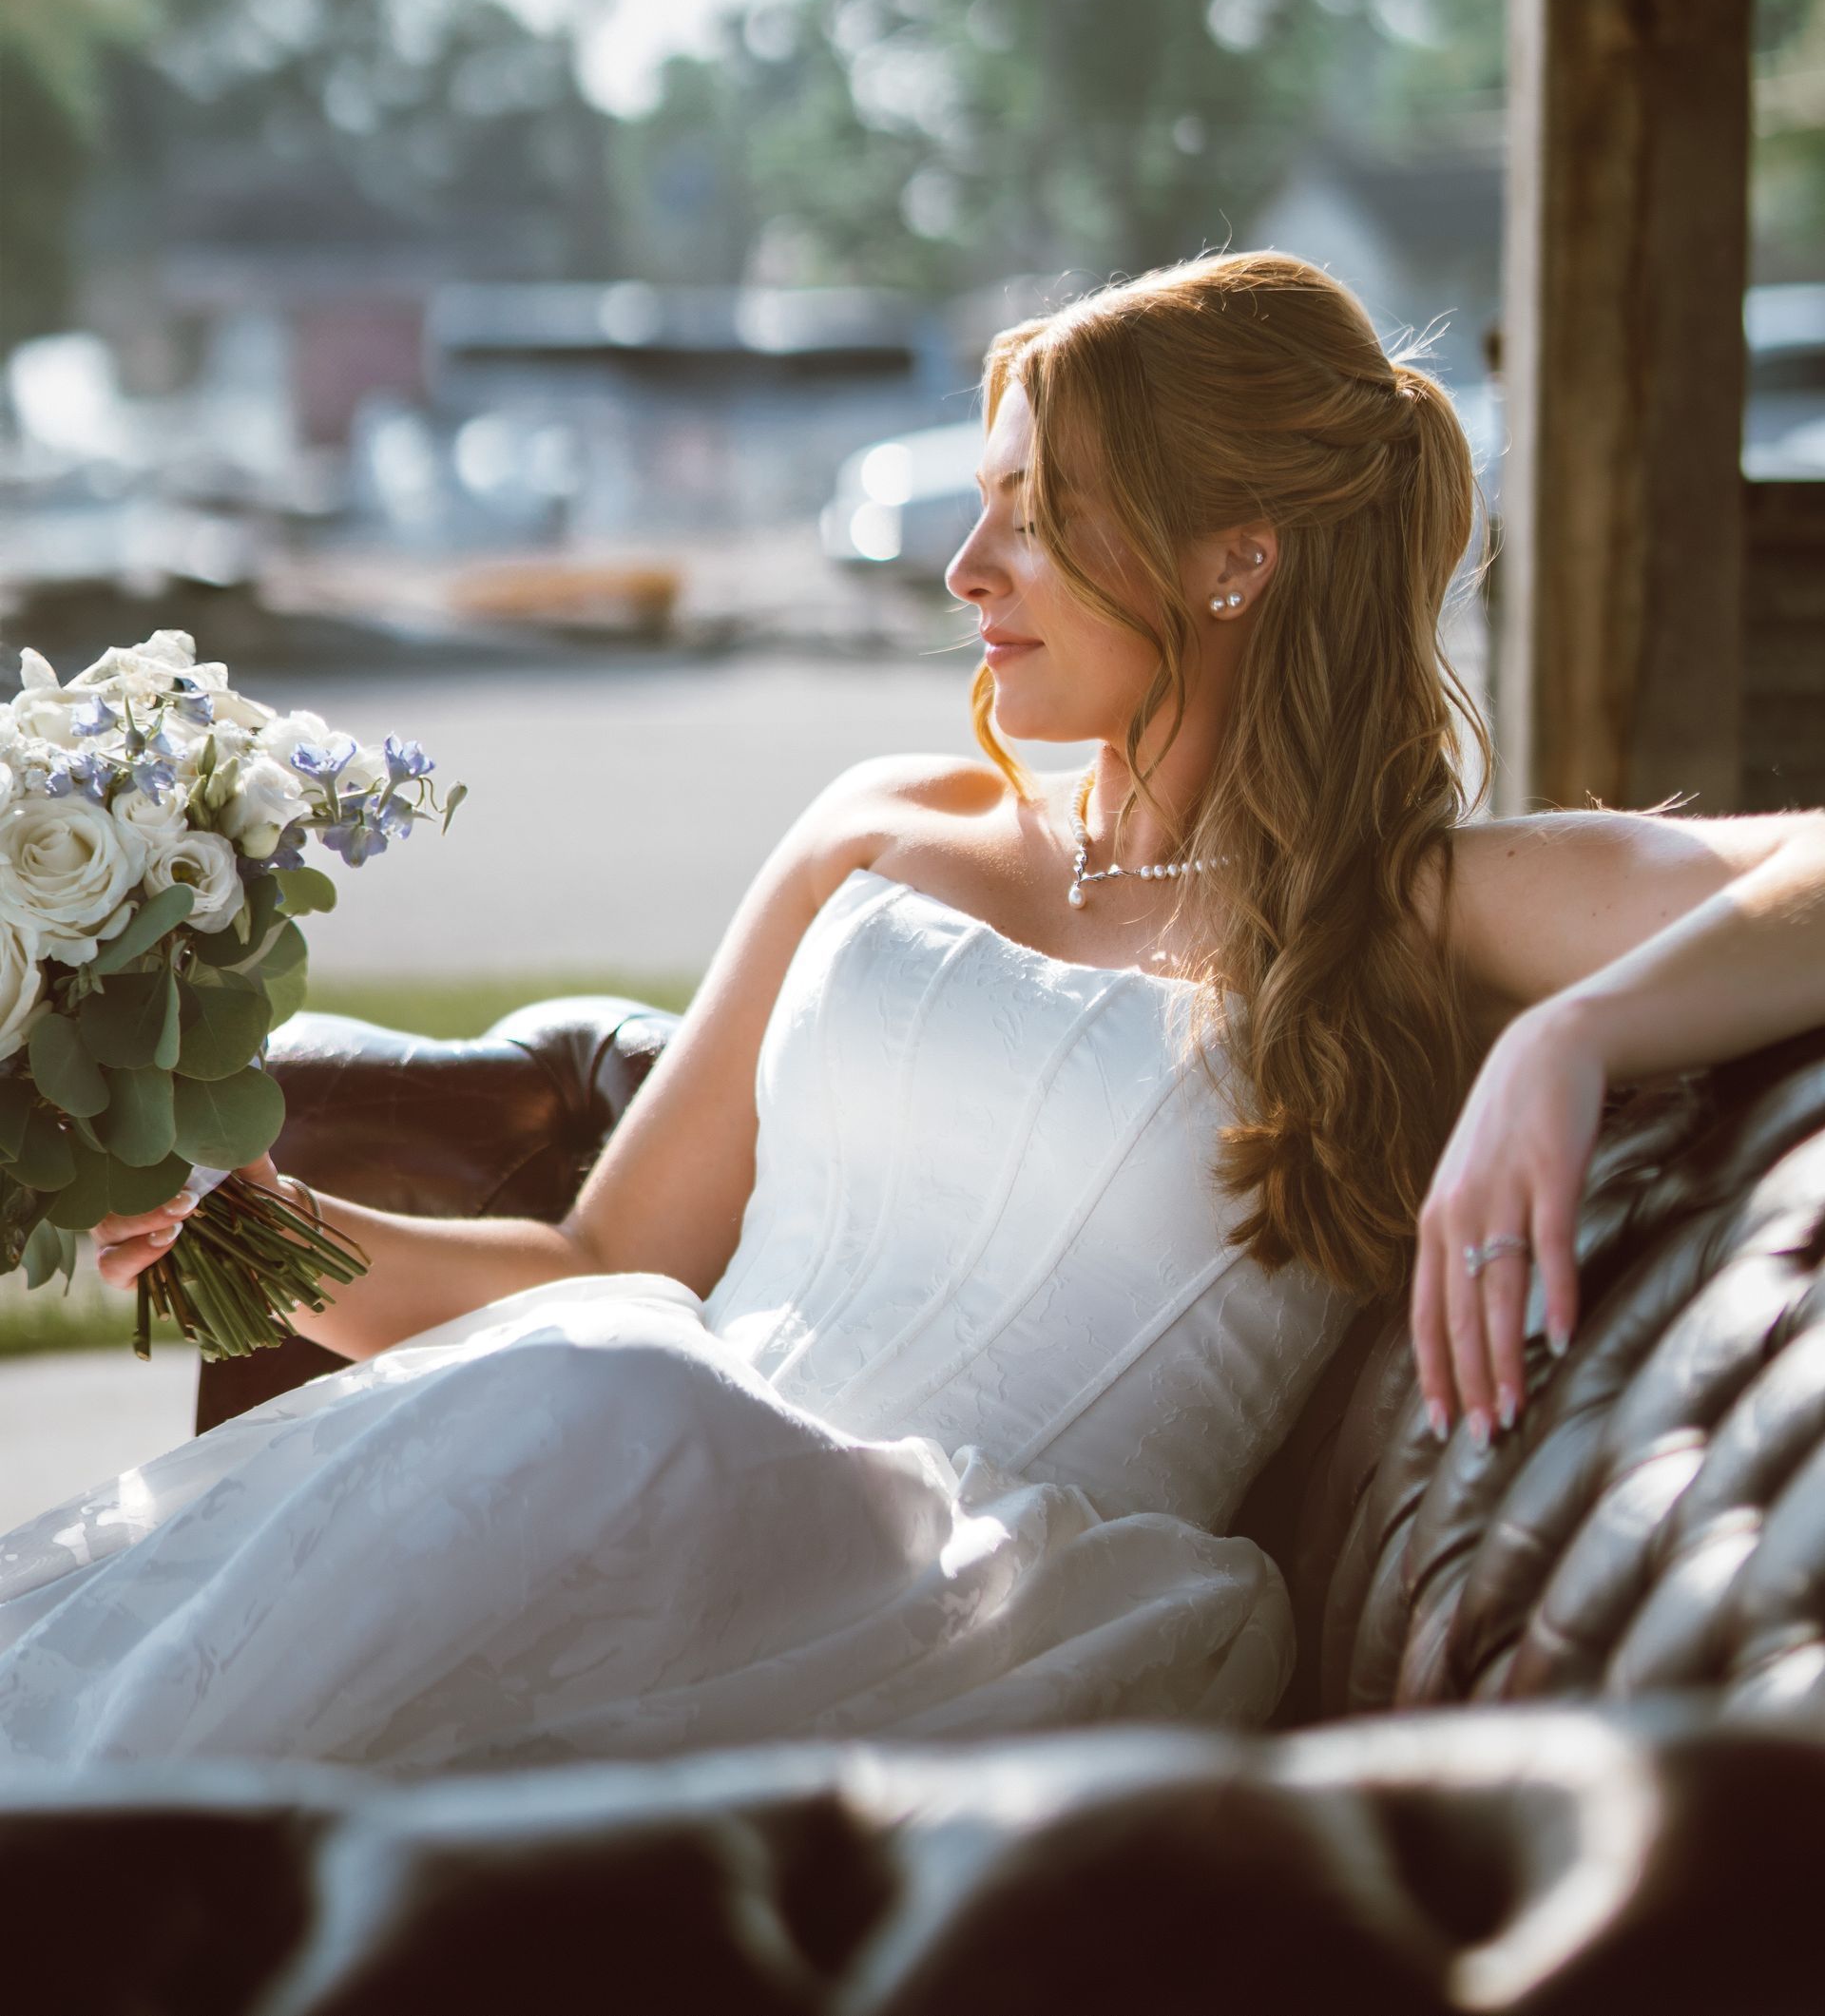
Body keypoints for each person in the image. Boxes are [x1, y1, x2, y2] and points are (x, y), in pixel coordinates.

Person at [3, 250, 1822, 1776]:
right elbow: (597, 1259)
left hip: (974, 1598)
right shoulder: (882, 825)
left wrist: (1564, 1037)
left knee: (620, 1392)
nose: (967, 572)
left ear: (1232, 556)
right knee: (603, 1384)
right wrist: (259, 1223)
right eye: (980, 506)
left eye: (1036, 519)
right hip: (630, 1451)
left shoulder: (1411, 905)